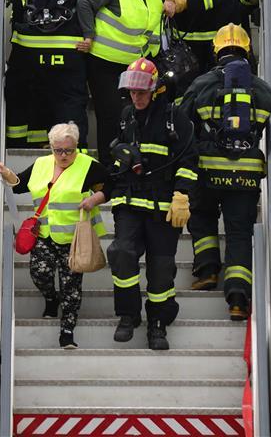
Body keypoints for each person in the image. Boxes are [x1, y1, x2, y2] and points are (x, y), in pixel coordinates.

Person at [178, 24, 271, 320]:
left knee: (203, 219)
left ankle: (207, 271)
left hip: (207, 171)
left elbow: (182, 122)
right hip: (245, 176)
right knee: (239, 235)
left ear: (216, 49)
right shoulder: (261, 88)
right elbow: (266, 127)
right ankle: (237, 298)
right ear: (247, 50)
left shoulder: (201, 83)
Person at [105, 58, 198, 350]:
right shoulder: (126, 116)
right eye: (132, 92)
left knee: (160, 268)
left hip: (162, 208)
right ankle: (128, 315)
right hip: (129, 203)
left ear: (155, 89)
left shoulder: (175, 118)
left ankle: (157, 323)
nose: (136, 97)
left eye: (141, 92)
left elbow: (188, 161)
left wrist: (182, 195)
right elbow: (119, 159)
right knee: (121, 253)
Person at [0, 122, 110, 349]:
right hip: (45, 234)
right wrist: (6, 172)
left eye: (69, 150)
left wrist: (96, 198)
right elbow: (19, 185)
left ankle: (67, 332)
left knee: (71, 287)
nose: (64, 155)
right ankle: (50, 298)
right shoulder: (41, 164)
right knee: (39, 273)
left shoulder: (89, 165)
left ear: (76, 146)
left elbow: (112, 185)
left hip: (74, 239)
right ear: (51, 147)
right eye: (58, 150)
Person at [76, 0, 176, 166]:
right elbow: (85, 2)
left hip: (133, 66)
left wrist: (170, 2)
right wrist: (89, 34)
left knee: (133, 115)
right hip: (104, 62)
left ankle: (130, 162)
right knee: (110, 115)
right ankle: (107, 168)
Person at [5, 0, 98, 147]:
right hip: (69, 52)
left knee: (27, 103)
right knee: (71, 103)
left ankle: (22, 151)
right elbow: (92, 9)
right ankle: (74, 156)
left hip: (28, 52)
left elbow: (18, 14)